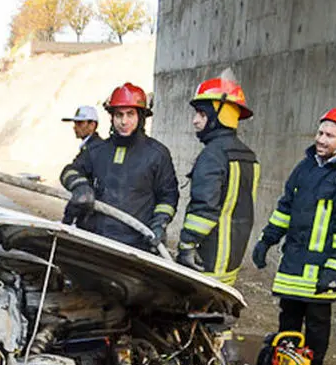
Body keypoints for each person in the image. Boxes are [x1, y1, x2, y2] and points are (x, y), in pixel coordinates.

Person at [251, 107, 336, 365]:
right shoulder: (304, 168)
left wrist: (335, 266)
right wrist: (267, 239)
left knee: (317, 321)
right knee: (288, 316)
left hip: (321, 267)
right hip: (294, 261)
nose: (321, 139)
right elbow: (285, 209)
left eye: (330, 135)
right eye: (320, 132)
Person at [60, 82, 179, 251]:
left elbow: (168, 197)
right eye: (119, 115)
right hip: (95, 241)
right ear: (112, 117)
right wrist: (80, 186)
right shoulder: (98, 150)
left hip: (136, 247)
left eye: (130, 114)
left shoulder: (157, 154)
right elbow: (70, 171)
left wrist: (160, 223)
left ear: (141, 117)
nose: (124, 121)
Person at [175, 77, 260, 286]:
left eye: (202, 114)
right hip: (232, 256)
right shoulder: (249, 156)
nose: (195, 120)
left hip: (207, 256)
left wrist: (187, 244)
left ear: (218, 116)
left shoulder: (213, 155)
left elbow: (205, 208)